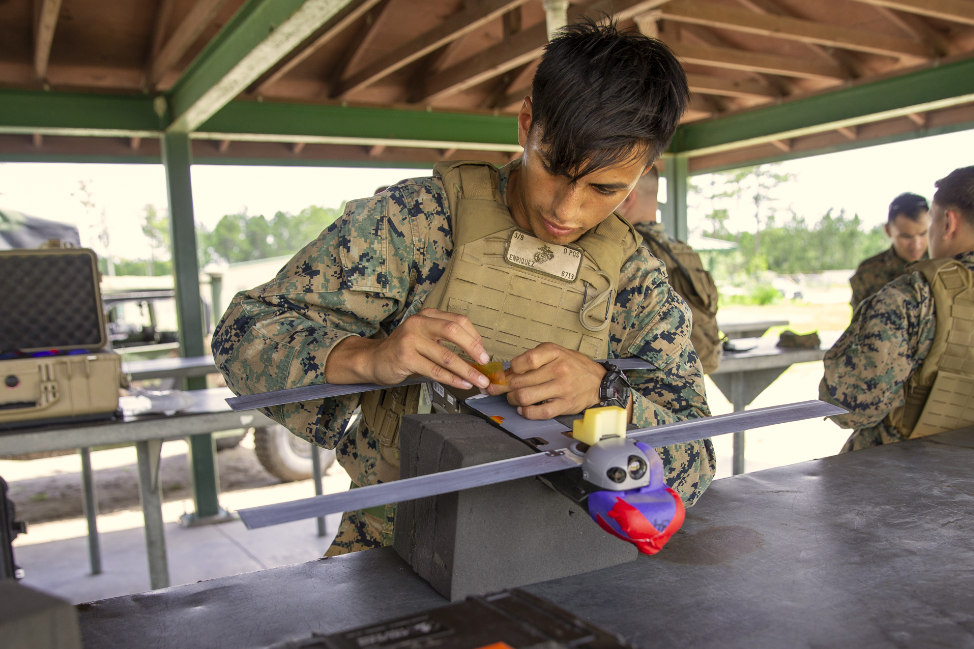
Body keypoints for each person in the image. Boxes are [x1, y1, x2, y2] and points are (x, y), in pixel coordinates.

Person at [212, 21, 716, 556]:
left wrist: (605, 395)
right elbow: (243, 336)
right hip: (395, 538)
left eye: (605, 188)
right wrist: (370, 356)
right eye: (553, 167)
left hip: (565, 545)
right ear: (527, 124)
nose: (565, 210)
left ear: (642, 174)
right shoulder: (418, 223)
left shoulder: (635, 279)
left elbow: (696, 461)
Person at [820, 167, 974, 451]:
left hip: (909, 464)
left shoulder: (909, 295)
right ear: (890, 231)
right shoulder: (878, 274)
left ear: (948, 222)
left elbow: (850, 405)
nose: (917, 243)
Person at [616, 166, 721, 373]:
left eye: (607, 191)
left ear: (627, 198)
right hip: (691, 370)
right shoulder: (682, 249)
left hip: (644, 379)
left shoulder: (628, 250)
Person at [849, 192, 930, 309]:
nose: (916, 245)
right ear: (888, 230)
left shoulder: (944, 266)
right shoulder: (868, 272)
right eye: (906, 236)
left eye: (923, 233)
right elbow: (859, 324)